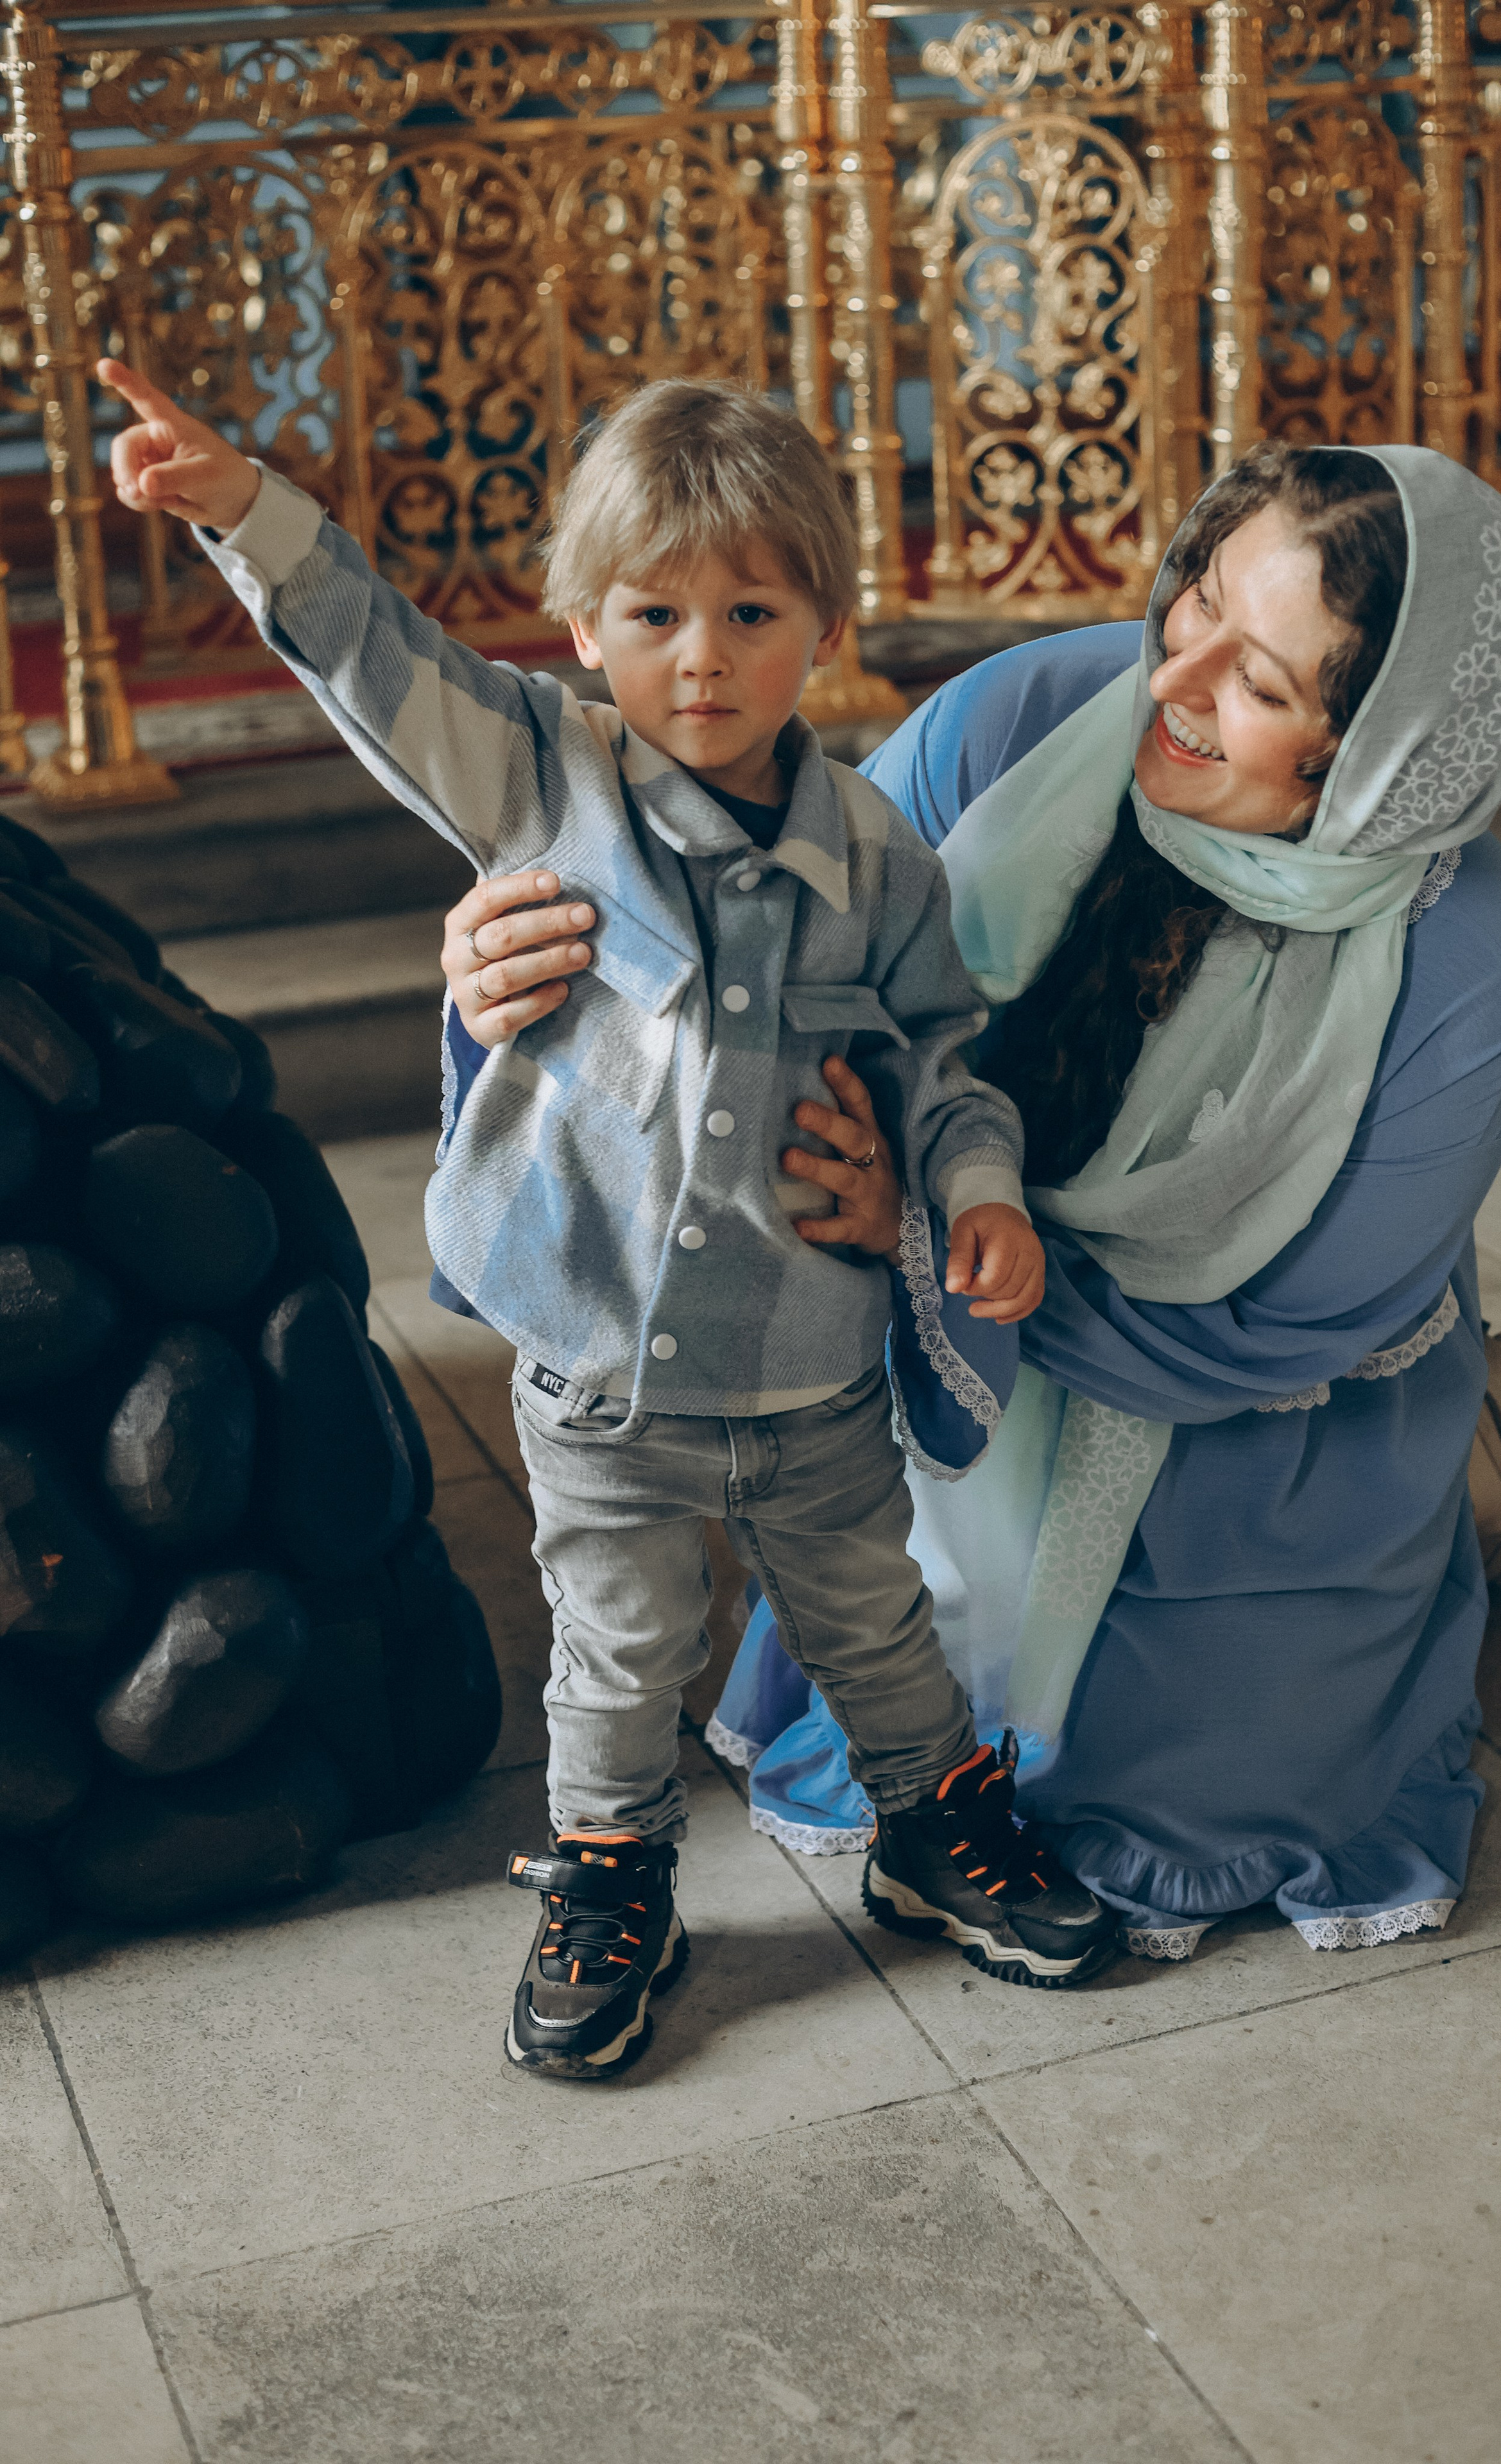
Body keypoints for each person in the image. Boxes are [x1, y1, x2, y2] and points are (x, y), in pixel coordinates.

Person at [98, 359, 1120, 2083]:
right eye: (655, 612)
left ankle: (935, 1829)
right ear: (583, 626)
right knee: (619, 1640)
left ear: (823, 626)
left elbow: (949, 1059)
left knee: (872, 1614)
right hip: (598, 1367)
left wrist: (978, 1192)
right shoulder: (534, 776)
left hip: (811, 1371)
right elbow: (375, 649)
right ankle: (610, 1877)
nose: (702, 656)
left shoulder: (876, 856)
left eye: (750, 610)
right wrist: (242, 510)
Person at [445, 440, 1501, 1964]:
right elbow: (717, 948)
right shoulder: (1016, 723)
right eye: (1200, 605)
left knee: (1213, 1780)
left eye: (1265, 687)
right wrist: (513, 969)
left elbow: (1295, 1323)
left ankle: (1462, 1462)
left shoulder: (1459, 968)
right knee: (884, 1653)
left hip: (1250, 1416)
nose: (1176, 680)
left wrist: (920, 1234)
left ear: (1370, 758)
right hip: (946, 1341)